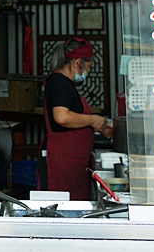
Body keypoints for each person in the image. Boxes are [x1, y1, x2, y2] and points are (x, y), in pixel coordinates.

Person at [42, 37, 112, 200]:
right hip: (63, 159)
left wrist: (98, 125)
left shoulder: (66, 83)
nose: (87, 72)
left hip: (73, 159)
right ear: (77, 63)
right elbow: (61, 117)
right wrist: (92, 120)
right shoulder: (59, 82)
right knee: (65, 205)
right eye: (87, 67)